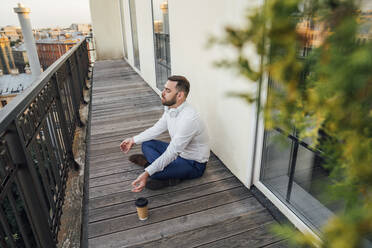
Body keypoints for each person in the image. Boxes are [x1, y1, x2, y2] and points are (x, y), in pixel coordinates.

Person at [120, 75, 210, 192]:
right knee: (146, 144)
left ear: (179, 95)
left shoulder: (189, 119)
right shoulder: (171, 108)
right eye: (164, 89)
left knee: (153, 174)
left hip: (193, 164)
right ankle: (156, 166)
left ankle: (158, 171)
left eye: (167, 90)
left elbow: (172, 152)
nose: (163, 93)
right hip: (178, 154)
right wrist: (133, 140)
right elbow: (156, 129)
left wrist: (147, 173)